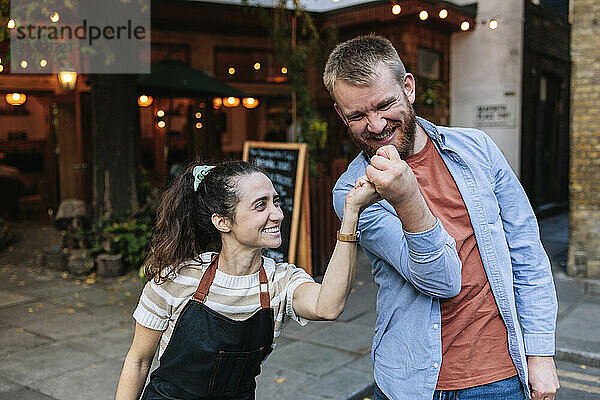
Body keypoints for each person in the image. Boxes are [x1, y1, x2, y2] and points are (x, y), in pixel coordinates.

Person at [324, 35, 559, 400]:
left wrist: (541, 354)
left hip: (497, 377)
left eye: (384, 105)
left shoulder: (477, 149)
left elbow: (527, 252)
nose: (374, 125)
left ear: (408, 88)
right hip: (412, 382)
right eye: (357, 115)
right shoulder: (352, 193)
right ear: (342, 115)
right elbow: (442, 280)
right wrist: (408, 199)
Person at [115, 160, 379, 399]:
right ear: (222, 222)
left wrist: (351, 214)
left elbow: (328, 306)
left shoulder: (280, 282)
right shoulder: (176, 279)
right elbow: (138, 361)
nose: (277, 214)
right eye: (260, 205)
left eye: (275, 201)